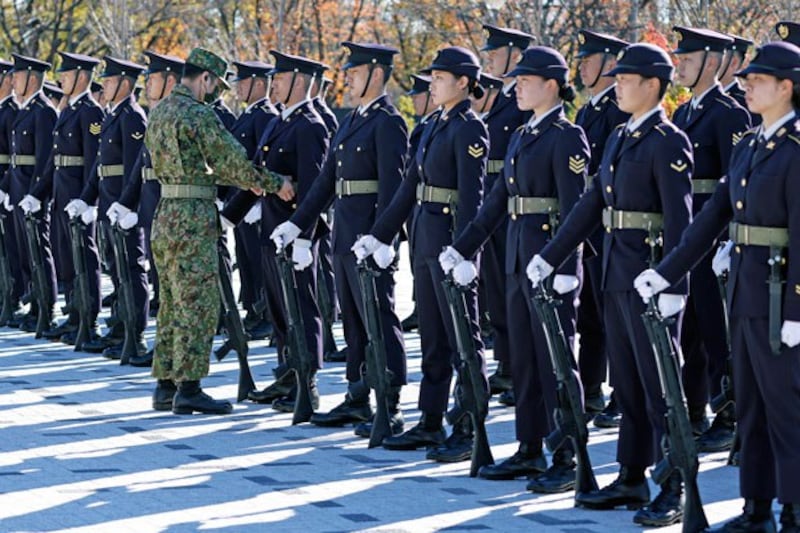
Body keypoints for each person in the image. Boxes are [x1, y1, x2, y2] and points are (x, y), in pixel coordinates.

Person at [634, 40, 800, 533]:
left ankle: (792, 511)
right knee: (749, 405)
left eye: (758, 81)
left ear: (787, 86)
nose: (747, 87)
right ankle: (755, 509)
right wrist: (667, 270)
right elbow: (710, 218)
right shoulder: (751, 143)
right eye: (746, 81)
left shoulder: (795, 150)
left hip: (779, 297)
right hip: (747, 291)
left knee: (786, 409)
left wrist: (795, 310)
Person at [527, 43, 693, 526]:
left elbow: (681, 220)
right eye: (616, 78)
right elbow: (590, 204)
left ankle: (675, 483)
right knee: (629, 382)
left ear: (653, 86)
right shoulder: (621, 137)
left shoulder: (668, 140)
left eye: (626, 79)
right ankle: (631, 474)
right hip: (616, 273)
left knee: (661, 385)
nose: (616, 85)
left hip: (649, 276)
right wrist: (550, 255)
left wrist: (673, 282)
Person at [440, 46, 589, 491]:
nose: (516, 86)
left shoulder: (566, 136)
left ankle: (566, 453)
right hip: (518, 259)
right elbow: (496, 204)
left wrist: (567, 266)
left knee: (555, 360)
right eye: (516, 80)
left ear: (551, 85)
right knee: (523, 357)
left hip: (549, 263)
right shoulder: (524, 134)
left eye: (525, 80)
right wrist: (462, 247)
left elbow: (575, 209)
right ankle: (529, 446)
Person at [353, 46, 489, 459]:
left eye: (441, 77)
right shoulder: (432, 126)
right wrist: (378, 235)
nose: (433, 83)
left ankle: (467, 425)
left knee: (463, 339)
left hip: (452, 244)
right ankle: (430, 420)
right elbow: (407, 189)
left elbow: (473, 197)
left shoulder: (470, 128)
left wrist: (466, 253)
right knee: (433, 338)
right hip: (427, 241)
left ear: (463, 82)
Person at [270, 42, 409, 438]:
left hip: (370, 236)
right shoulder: (349, 122)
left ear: (376, 74)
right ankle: (357, 393)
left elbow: (394, 187)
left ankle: (390, 400)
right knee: (352, 317)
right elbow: (325, 184)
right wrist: (297, 224)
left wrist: (384, 240)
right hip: (346, 233)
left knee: (379, 316)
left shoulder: (388, 121)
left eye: (355, 71)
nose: (347, 78)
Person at [145, 47, 291, 414]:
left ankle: (165, 384)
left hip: (165, 214)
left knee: (171, 303)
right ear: (205, 78)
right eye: (215, 86)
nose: (216, 94)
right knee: (198, 303)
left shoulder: (159, 111)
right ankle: (189, 387)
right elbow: (231, 162)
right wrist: (273, 182)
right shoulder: (198, 115)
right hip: (193, 216)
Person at [222, 51, 329, 414]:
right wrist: (229, 217)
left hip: (293, 231)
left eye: (280, 78)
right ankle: (288, 373)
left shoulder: (311, 125)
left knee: (302, 306)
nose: (274, 85)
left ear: (299, 80)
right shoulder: (278, 121)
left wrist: (303, 235)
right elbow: (257, 175)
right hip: (272, 228)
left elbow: (315, 187)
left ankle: (307, 382)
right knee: (281, 309)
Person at [670, 26, 751, 450]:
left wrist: (725, 241)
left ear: (714, 60)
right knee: (690, 330)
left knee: (716, 329)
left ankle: (729, 410)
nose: (679, 63)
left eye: (689, 57)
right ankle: (696, 406)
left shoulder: (729, 113)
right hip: (688, 235)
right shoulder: (682, 114)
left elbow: (735, 185)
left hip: (714, 233)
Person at [66, 56, 150, 361]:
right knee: (116, 270)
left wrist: (128, 206)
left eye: (111, 81)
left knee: (131, 267)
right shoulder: (113, 115)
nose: (105, 85)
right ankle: (119, 328)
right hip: (109, 205)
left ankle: (136, 335)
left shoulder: (133, 117)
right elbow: (100, 165)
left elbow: (134, 169)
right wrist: (87, 198)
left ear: (125, 84)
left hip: (123, 208)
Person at [25, 52, 104, 346]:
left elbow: (93, 162)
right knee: (66, 257)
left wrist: (88, 201)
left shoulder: (91, 112)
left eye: (67, 75)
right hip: (61, 196)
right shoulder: (69, 110)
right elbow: (54, 161)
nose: (62, 80)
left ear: (82, 76)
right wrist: (37, 194)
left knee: (86, 256)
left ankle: (90, 320)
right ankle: (74, 314)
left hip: (77, 199)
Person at [573, 29, 630, 426]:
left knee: (613, 315)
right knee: (590, 313)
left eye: (588, 60)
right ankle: (591, 387)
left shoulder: (618, 110)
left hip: (610, 223)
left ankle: (620, 394)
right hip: (588, 223)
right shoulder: (587, 111)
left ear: (610, 64)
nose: (581, 67)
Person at [479, 25, 535, 404]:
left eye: (495, 54)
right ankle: (506, 362)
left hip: (516, 204)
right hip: (493, 201)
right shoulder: (498, 97)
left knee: (513, 290)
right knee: (495, 290)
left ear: (515, 55)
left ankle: (520, 368)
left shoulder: (526, 100)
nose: (489, 60)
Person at [114, 51, 185, 346]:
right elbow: (140, 167)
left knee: (175, 283)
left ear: (170, 80)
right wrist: (126, 203)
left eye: (153, 78)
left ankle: (179, 351)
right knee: (159, 280)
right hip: (151, 207)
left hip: (175, 211)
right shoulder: (158, 114)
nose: (147, 83)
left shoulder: (182, 115)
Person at [227, 60, 279, 341]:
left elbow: (265, 163)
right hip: (241, 202)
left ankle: (267, 315)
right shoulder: (247, 116)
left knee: (260, 263)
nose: (238, 88)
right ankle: (253, 311)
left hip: (256, 205)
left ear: (259, 84)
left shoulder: (265, 116)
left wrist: (258, 203)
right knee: (246, 261)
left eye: (242, 82)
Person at [7, 54, 58, 333]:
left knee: (40, 249)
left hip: (31, 191)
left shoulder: (44, 111)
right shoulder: (25, 110)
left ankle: (46, 307)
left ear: (32, 78)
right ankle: (34, 303)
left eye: (18, 76)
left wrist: (37, 193)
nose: (13, 81)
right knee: (26, 251)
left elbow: (45, 159)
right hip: (18, 188)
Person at [0, 58, 24, 326]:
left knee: (11, 248)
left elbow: (15, 157)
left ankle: (14, 297)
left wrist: (4, 186)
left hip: (7, 185)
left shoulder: (12, 112)